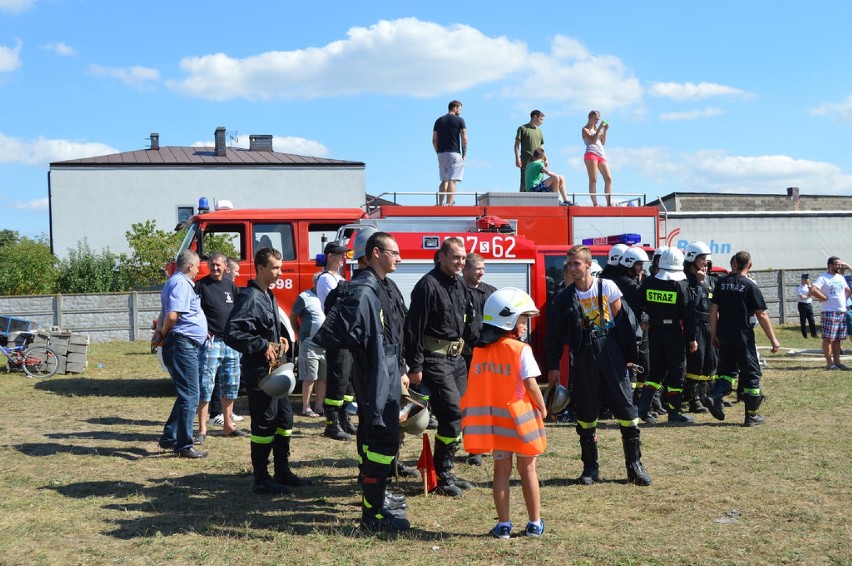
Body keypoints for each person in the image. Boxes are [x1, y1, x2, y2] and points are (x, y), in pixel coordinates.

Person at [314, 231, 411, 532]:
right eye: (394, 252)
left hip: (387, 370)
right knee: (382, 437)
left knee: (377, 437)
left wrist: (403, 366)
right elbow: (342, 327)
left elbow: (396, 327)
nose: (399, 257)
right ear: (377, 252)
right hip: (376, 373)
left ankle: (377, 501)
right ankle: (373, 514)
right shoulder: (363, 288)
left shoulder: (383, 286)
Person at [546, 245, 651, 486]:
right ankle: (590, 468)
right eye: (569, 264)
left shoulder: (608, 287)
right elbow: (553, 335)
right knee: (586, 413)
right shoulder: (564, 297)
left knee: (626, 410)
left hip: (611, 351)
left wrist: (629, 355)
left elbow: (625, 322)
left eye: (576, 264)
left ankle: (634, 467)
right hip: (583, 356)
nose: (572, 268)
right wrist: (553, 367)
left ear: (588, 265)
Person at [461, 288, 547, 539]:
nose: (524, 324)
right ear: (508, 319)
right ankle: (534, 523)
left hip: (495, 425)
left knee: (501, 472)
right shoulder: (521, 350)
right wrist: (542, 408)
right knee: (528, 470)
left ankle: (504, 525)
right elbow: (531, 385)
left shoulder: (479, 351)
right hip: (520, 423)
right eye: (522, 318)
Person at [224, 247, 310, 494]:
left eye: (280, 268)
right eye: (274, 268)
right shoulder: (249, 297)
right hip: (260, 374)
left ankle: (282, 471)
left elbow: (266, 329)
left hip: (276, 371)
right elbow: (233, 333)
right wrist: (261, 345)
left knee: (285, 419)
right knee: (264, 424)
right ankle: (261, 479)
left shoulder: (268, 295)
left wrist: (280, 339)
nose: (279, 272)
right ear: (260, 268)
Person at [405, 237, 479, 497]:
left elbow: (468, 320)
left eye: (463, 258)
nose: (460, 262)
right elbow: (412, 329)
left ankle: (445, 469)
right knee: (451, 413)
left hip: (457, 360)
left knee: (459, 415)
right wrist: (415, 366)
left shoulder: (459, 283)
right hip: (434, 360)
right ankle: (442, 474)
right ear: (441, 257)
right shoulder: (427, 285)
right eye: (456, 257)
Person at [707, 251, 781, 426]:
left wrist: (714, 334)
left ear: (733, 264)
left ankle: (714, 396)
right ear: (750, 266)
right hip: (743, 336)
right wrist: (773, 339)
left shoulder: (721, 283)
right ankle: (752, 416)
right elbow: (761, 314)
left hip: (724, 334)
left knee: (727, 371)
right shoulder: (750, 286)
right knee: (751, 374)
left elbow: (712, 310)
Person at [152, 249, 209, 459]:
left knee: (187, 394)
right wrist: (163, 332)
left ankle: (169, 437)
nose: (198, 271)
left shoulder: (176, 282)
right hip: (181, 344)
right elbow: (173, 315)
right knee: (191, 395)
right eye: (197, 266)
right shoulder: (180, 283)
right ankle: (183, 445)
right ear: (190, 266)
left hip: (182, 343)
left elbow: (169, 313)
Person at [634, 247, 698, 424]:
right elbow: (688, 315)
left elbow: (636, 303)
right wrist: (691, 339)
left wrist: (644, 318)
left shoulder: (649, 282)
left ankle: (643, 407)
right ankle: (674, 412)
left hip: (654, 332)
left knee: (656, 372)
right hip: (672, 333)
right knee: (676, 372)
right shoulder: (681, 285)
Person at [195, 252, 247, 443]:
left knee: (231, 385)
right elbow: (192, 311)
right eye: (212, 265)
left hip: (230, 343)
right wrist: (202, 330)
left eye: (218, 265)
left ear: (226, 266)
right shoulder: (200, 286)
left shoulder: (229, 284)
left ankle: (228, 426)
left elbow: (237, 310)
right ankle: (202, 430)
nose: (214, 268)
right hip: (211, 343)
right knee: (205, 385)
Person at [461, 252, 497, 467]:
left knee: (487, 403)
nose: (481, 272)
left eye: (483, 269)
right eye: (478, 269)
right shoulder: (456, 292)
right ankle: (474, 448)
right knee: (470, 404)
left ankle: (486, 444)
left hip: (487, 357)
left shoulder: (491, 293)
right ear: (466, 270)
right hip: (463, 358)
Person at [319, 241, 357, 440]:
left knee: (348, 380)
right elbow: (336, 306)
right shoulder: (326, 279)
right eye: (341, 255)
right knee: (338, 379)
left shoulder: (339, 277)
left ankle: (344, 418)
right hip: (336, 335)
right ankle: (332, 424)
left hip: (346, 335)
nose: (345, 258)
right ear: (331, 257)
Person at [683, 241, 717, 413]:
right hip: (693, 324)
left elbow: (713, 303)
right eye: (702, 259)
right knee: (696, 361)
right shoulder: (686, 280)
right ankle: (692, 398)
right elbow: (691, 304)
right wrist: (699, 283)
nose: (705, 262)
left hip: (708, 324)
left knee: (709, 361)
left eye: (706, 259)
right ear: (692, 258)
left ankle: (705, 395)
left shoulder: (709, 279)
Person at [290, 271, 326, 417]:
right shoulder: (304, 297)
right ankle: (306, 407)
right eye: (320, 282)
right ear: (314, 282)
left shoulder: (328, 297)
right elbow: (293, 316)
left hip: (325, 346)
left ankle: (319, 406)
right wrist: (297, 332)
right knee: (310, 377)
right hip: (309, 344)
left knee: (323, 378)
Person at [810, 256, 851, 370]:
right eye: (837, 264)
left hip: (841, 311)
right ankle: (829, 363)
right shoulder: (823, 278)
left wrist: (843, 301)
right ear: (830, 265)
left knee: (838, 339)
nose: (840, 266)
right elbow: (813, 290)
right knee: (828, 339)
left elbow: (847, 290)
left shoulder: (841, 278)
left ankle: (837, 362)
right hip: (829, 312)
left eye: (840, 264)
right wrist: (823, 298)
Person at [432, 100, 467, 206]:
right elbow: (464, 138)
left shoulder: (438, 121)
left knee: (444, 180)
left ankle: (440, 203)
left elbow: (434, 140)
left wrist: (438, 152)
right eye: (460, 109)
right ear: (455, 108)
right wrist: (464, 154)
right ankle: (450, 204)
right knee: (452, 180)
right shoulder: (460, 120)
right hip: (454, 153)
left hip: (441, 154)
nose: (460, 112)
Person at [582, 110, 613, 206]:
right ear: (590, 118)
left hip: (601, 154)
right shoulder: (585, 129)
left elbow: (602, 142)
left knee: (608, 178)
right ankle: (595, 203)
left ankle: (609, 202)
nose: (597, 121)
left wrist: (605, 130)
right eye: (595, 119)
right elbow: (593, 140)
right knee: (593, 179)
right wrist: (599, 128)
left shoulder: (596, 129)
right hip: (591, 153)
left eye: (598, 120)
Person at [514, 110, 545, 192]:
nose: (542, 122)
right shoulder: (522, 128)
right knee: (525, 181)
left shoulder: (539, 131)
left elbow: (542, 146)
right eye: (541, 119)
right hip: (526, 159)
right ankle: (522, 203)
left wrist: (545, 158)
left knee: (540, 180)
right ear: (535, 117)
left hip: (538, 160)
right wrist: (517, 159)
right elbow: (517, 145)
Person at [796, 274, 817, 339]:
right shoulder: (798, 287)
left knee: (812, 320)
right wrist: (808, 295)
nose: (806, 280)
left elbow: (813, 293)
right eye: (805, 279)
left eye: (807, 279)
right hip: (802, 305)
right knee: (803, 321)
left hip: (809, 304)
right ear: (802, 279)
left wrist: (809, 285)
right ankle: (805, 336)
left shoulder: (809, 286)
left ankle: (814, 335)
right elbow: (802, 297)